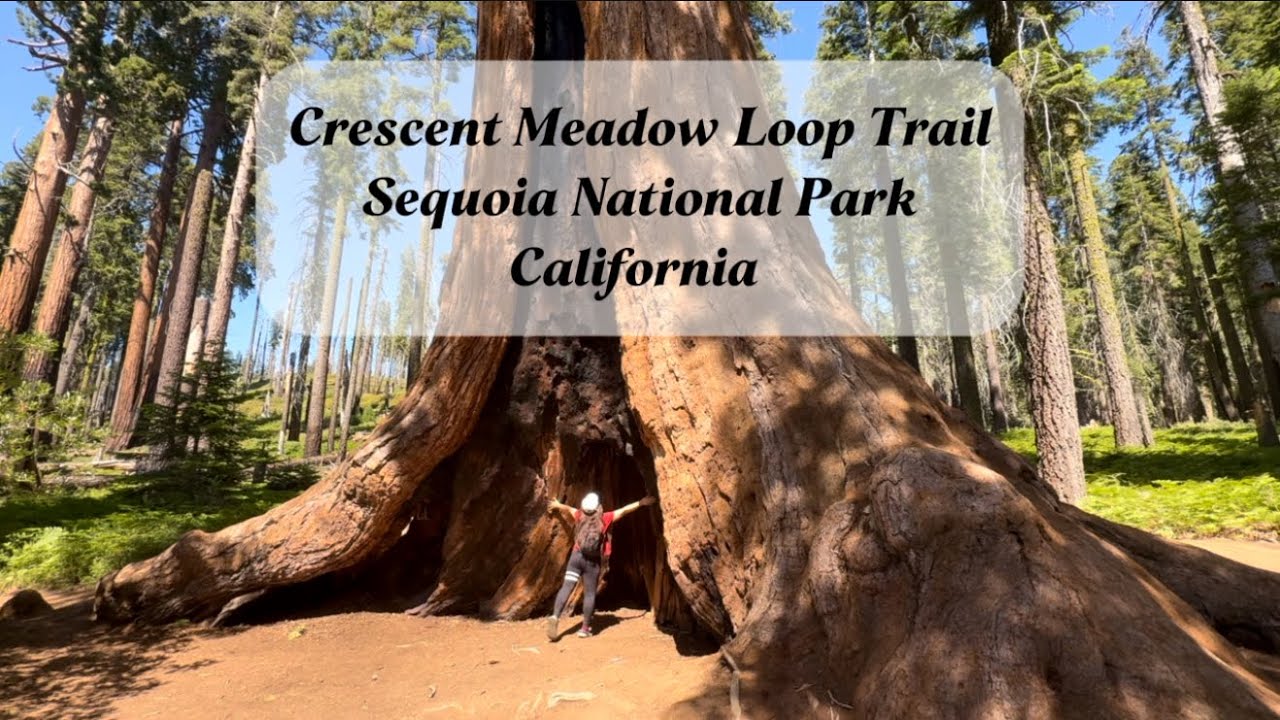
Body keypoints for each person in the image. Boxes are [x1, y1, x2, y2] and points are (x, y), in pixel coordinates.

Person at [545, 492, 656, 640]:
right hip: (592, 562)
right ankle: (584, 629)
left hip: (576, 557)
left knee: (567, 587)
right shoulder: (605, 518)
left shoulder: (579, 514)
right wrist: (641, 502)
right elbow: (624, 510)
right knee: (590, 594)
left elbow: (568, 508)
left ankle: (555, 616)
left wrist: (558, 505)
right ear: (597, 506)